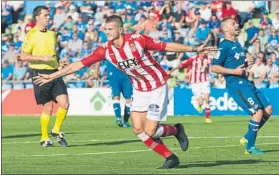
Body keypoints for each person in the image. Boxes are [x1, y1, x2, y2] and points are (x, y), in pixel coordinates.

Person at [33, 15, 215, 168]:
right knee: (137, 129)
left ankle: (176, 130)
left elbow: (166, 46)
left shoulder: (138, 40)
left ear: (121, 29)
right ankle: (170, 157)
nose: (107, 32)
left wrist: (194, 49)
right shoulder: (104, 50)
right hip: (140, 89)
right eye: (105, 29)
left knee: (150, 131)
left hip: (157, 85)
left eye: (110, 29)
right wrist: (53, 76)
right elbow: (79, 64)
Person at [211, 18, 273, 154]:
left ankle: (247, 137)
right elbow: (214, 67)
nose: (237, 24)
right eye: (233, 23)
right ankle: (250, 147)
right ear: (225, 28)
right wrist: (233, 71)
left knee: (268, 109)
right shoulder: (223, 46)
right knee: (258, 112)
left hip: (246, 82)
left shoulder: (237, 44)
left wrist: (246, 62)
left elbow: (237, 64)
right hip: (236, 84)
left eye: (236, 23)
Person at [17, 6, 69, 147]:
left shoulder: (52, 34)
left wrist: (60, 61)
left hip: (54, 72)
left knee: (65, 103)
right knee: (48, 108)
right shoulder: (31, 34)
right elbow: (22, 56)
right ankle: (44, 138)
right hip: (40, 73)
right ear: (37, 17)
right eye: (45, 15)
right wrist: (43, 58)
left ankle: (56, 130)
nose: (48, 18)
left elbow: (54, 53)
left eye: (48, 15)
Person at [169, 49, 213, 123]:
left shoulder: (209, 58)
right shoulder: (193, 58)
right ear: (199, 51)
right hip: (195, 82)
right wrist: (172, 70)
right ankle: (199, 104)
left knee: (207, 99)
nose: (204, 52)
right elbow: (181, 65)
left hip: (205, 81)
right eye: (203, 51)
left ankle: (207, 118)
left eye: (206, 51)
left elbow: (218, 60)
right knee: (201, 102)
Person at [94, 60, 133, 128]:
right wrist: (96, 72)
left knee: (129, 99)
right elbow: (98, 60)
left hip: (127, 75)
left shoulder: (127, 49)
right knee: (116, 96)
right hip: (113, 74)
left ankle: (126, 121)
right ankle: (118, 118)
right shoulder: (107, 49)